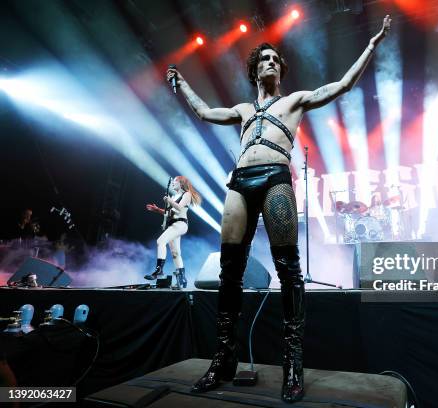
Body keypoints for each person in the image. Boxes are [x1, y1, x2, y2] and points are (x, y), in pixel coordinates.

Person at [167, 15, 391, 403]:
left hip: (275, 176)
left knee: (288, 268)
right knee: (229, 270)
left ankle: (292, 361)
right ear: (255, 69)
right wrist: (183, 84)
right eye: (264, 58)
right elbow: (205, 113)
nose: (271, 62)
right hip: (240, 181)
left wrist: (371, 45)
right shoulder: (242, 110)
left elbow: (343, 85)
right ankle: (224, 359)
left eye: (275, 58)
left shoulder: (295, 100)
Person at [144, 176, 202, 287]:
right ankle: (182, 279)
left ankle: (159, 270)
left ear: (181, 183)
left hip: (181, 224)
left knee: (160, 241)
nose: (173, 183)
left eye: (175, 181)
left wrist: (169, 200)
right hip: (173, 224)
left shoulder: (187, 194)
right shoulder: (175, 196)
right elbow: (170, 213)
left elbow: (179, 208)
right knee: (175, 253)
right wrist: (157, 210)